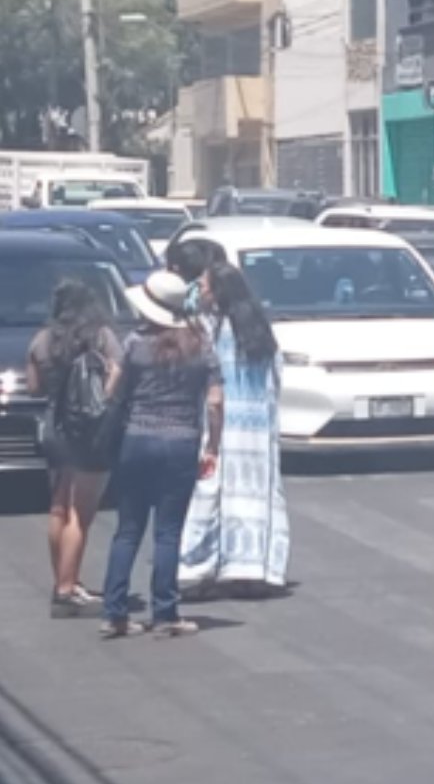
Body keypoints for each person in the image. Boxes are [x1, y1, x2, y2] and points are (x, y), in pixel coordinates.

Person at [101, 272, 224, 639]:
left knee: (127, 530)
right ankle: (166, 612)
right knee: (168, 532)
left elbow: (111, 391)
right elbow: (215, 402)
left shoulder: (134, 342)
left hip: (136, 438)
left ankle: (115, 612)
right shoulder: (201, 344)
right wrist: (212, 446)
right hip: (181, 441)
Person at [178, 260, 290, 596]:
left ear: (218, 292)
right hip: (258, 429)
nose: (200, 291)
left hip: (223, 425)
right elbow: (276, 377)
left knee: (212, 495)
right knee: (257, 498)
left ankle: (201, 567)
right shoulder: (260, 330)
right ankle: (255, 570)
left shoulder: (210, 329)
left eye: (204, 286)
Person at [28, 280, 122, 618]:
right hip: (90, 429)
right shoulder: (101, 337)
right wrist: (102, 397)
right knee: (81, 513)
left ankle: (64, 580)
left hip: (55, 426)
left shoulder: (42, 340)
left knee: (58, 507)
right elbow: (117, 376)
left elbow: (35, 386)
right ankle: (67, 589)